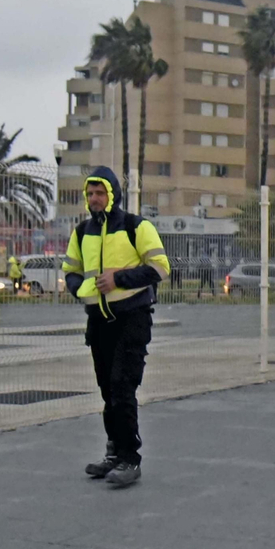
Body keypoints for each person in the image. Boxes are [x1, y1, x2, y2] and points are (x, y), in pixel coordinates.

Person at [63, 166, 169, 489]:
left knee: (123, 388)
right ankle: (113, 451)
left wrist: (118, 279)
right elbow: (71, 271)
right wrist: (82, 288)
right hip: (98, 322)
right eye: (90, 193)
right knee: (108, 390)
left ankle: (130, 458)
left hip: (132, 319)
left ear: (113, 195)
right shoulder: (81, 232)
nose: (95, 199)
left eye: (101, 193)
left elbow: (160, 268)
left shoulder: (137, 227)